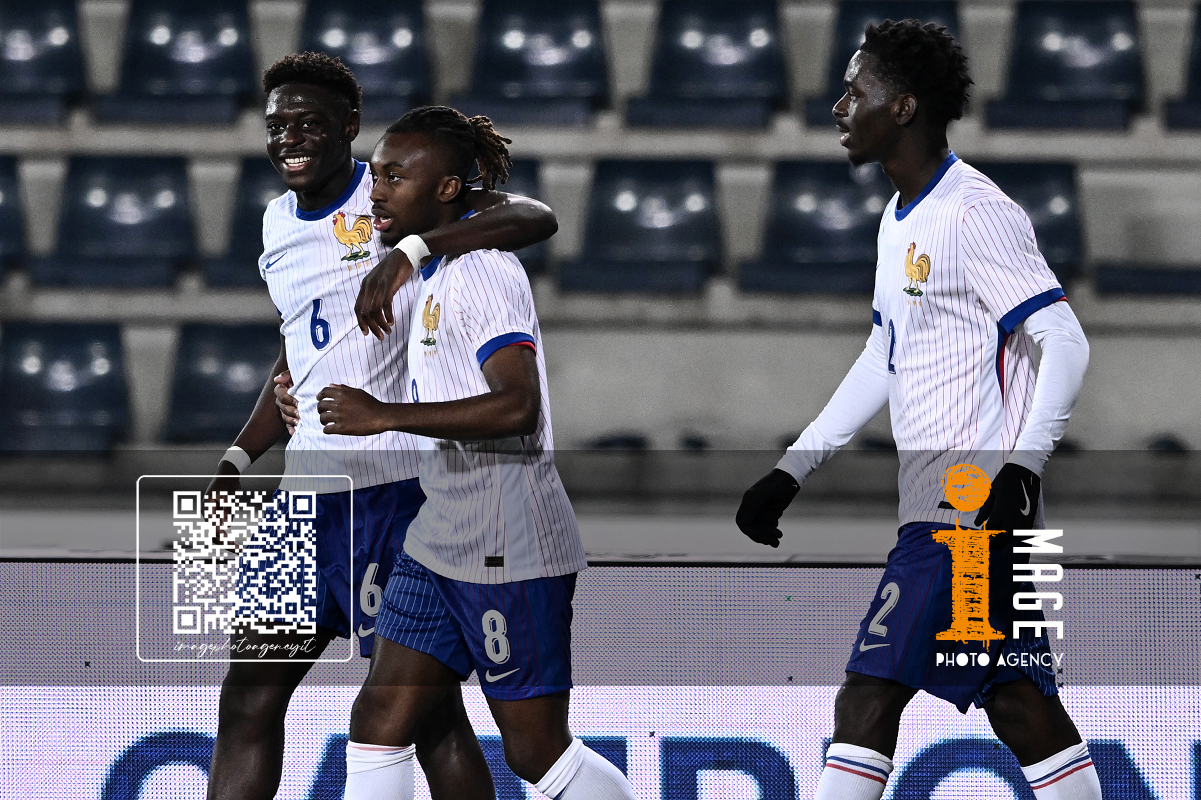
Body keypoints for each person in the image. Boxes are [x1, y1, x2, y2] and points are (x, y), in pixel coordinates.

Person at [735, 20, 1099, 800]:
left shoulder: (974, 213)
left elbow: (1063, 342)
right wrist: (791, 469)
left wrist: (1021, 469)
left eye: (854, 92)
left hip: (965, 512)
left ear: (900, 108)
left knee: (867, 696)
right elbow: (883, 356)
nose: (839, 107)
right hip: (958, 511)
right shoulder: (899, 216)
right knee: (1017, 703)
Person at [205, 53, 559, 800]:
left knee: (426, 719)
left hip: (394, 491)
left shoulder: (395, 194)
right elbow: (300, 345)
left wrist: (410, 250)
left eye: (308, 123)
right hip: (303, 499)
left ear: (350, 127)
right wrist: (241, 455)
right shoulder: (274, 222)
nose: (289, 138)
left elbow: (535, 216)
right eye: (276, 124)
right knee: (248, 698)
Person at [315, 105, 638, 800]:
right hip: (440, 529)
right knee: (378, 721)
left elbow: (518, 407)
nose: (376, 192)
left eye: (395, 177)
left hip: (507, 534)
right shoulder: (431, 267)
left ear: (447, 189)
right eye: (376, 174)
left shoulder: (483, 272)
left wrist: (382, 417)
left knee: (536, 752)